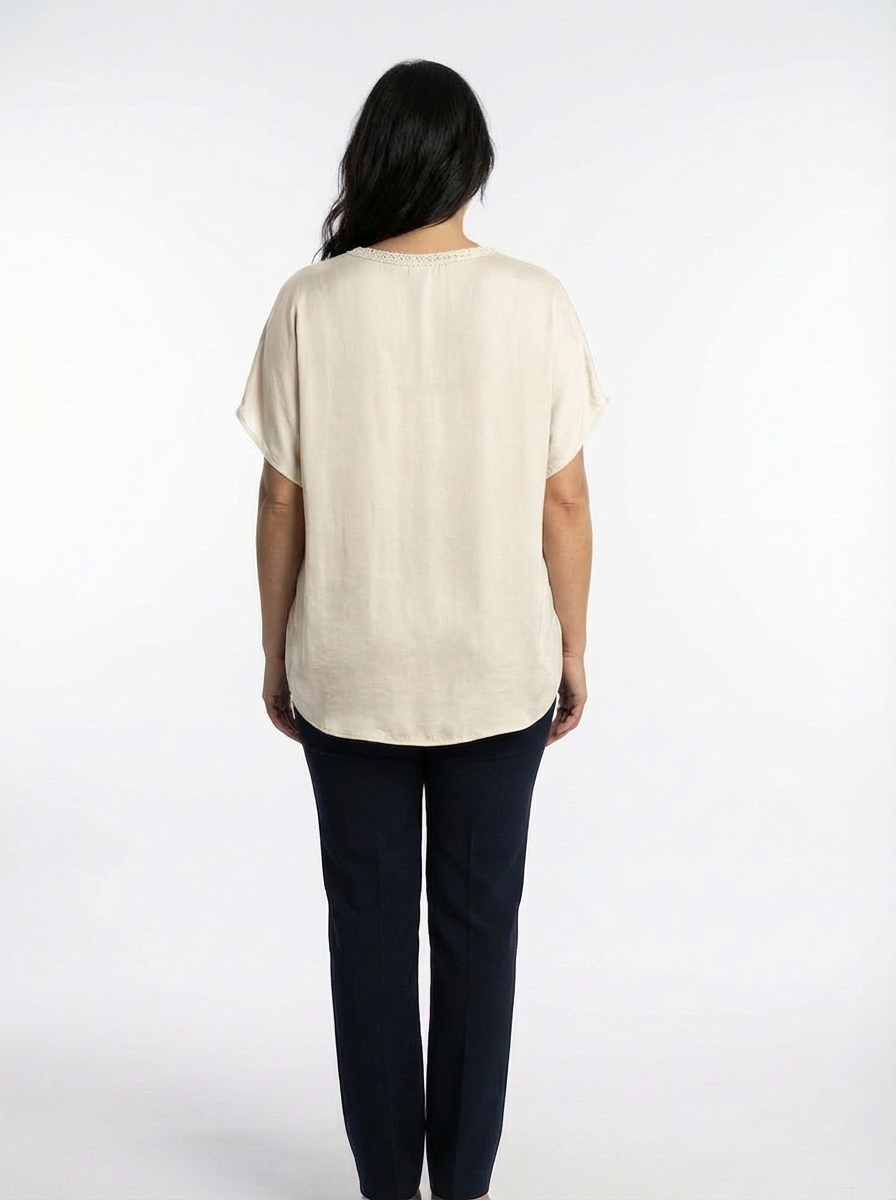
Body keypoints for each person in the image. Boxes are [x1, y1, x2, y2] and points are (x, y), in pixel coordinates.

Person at [236, 58, 610, 1200]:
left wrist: (275, 650)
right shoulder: (534, 299)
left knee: (365, 931)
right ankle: (463, 1186)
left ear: (374, 160)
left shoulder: (312, 301)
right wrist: (571, 646)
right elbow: (563, 499)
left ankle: (387, 1187)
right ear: (470, 164)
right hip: (497, 669)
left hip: (348, 668)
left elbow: (282, 500)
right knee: (480, 931)